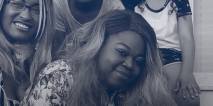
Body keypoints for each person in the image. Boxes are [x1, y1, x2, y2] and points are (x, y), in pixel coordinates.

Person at [24, 10, 178, 106]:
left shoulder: (138, 92)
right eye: (122, 52)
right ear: (98, 45)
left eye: (139, 61)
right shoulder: (60, 76)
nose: (130, 65)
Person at [120, 0, 200, 106]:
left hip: (172, 57)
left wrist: (187, 72)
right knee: (130, 100)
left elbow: (187, 38)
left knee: (189, 98)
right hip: (143, 56)